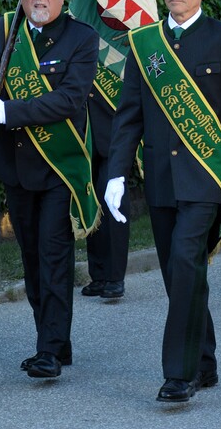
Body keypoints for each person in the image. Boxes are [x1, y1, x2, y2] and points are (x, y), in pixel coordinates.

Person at [103, 0, 221, 403]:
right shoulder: (144, 42)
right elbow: (128, 115)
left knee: (187, 261)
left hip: (205, 177)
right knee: (179, 275)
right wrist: (116, 173)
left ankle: (179, 374)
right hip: (160, 177)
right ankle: (204, 361)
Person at [0, 0, 99, 379]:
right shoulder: (7, 30)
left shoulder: (81, 37)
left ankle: (49, 351)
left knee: (54, 255)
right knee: (32, 258)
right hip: (15, 167)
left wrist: (8, 113)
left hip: (58, 167)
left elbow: (70, 98)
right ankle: (55, 342)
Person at [81, 77, 130, 300]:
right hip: (81, 136)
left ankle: (114, 277)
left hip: (113, 131)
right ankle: (98, 274)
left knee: (112, 205)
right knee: (90, 202)